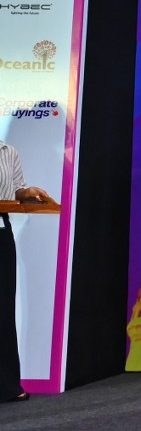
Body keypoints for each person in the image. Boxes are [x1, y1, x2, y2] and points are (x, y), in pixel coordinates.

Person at [1, 140, 54, 403]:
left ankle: (6, 385)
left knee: (2, 309)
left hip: (1, 231)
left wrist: (26, 192)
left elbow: (14, 190)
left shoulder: (7, 150)